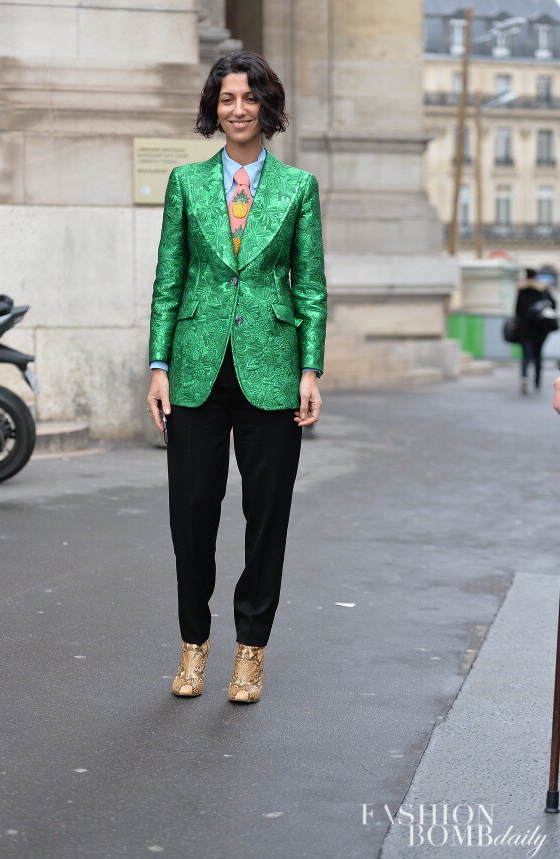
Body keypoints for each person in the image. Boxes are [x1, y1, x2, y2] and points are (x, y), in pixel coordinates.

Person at [146, 51, 327, 704]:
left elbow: (310, 287)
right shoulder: (185, 182)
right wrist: (158, 366)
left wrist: (310, 368)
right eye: (227, 98)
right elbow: (168, 281)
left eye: (250, 97)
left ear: (267, 106)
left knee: (266, 515)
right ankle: (193, 643)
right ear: (214, 108)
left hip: (272, 369)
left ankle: (250, 650)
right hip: (196, 365)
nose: (239, 108)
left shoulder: (298, 187)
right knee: (192, 513)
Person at [514, 268, 557, 394]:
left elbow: (517, 310)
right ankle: (537, 382)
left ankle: (524, 377)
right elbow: (553, 304)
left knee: (526, 355)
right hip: (541, 328)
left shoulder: (522, 290)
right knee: (538, 355)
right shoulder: (543, 288)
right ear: (536, 276)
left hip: (525, 328)